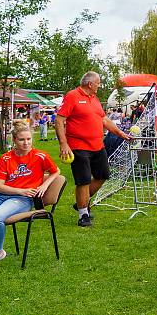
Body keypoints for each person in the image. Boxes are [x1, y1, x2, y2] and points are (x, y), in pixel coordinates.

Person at [57, 71, 131, 227]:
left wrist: (120, 133)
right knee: (83, 180)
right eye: (98, 82)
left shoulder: (95, 99)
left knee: (103, 175)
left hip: (98, 145)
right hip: (78, 146)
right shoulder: (72, 96)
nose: (99, 85)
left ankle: (81, 202)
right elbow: (59, 119)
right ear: (90, 84)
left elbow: (104, 119)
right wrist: (63, 143)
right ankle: (83, 214)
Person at [0, 120, 60, 261]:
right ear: (14, 140)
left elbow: (56, 171)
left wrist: (44, 185)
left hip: (23, 200)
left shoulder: (40, 156)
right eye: (22, 140)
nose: (26, 143)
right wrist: (20, 190)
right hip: (2, 195)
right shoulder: (5, 158)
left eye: (29, 139)